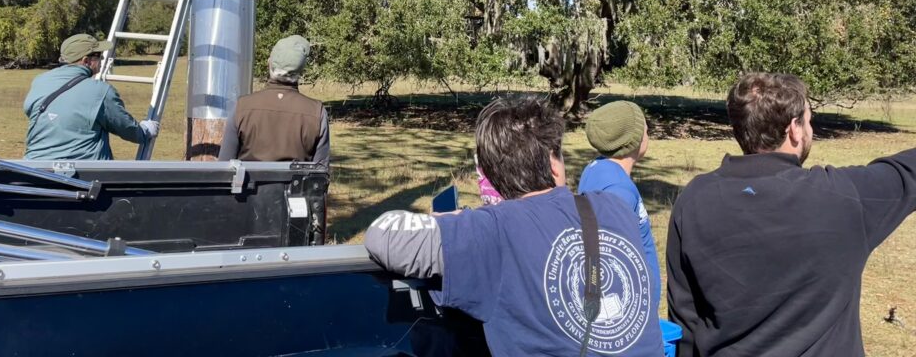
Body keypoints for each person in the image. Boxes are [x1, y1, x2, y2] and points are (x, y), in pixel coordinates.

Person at [364, 98, 663, 357]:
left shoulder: (491, 231)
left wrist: (447, 221)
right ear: (554, 162)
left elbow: (384, 235)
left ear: (493, 178)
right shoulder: (615, 209)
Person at [666, 72, 916, 357]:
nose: (811, 129)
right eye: (809, 120)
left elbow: (684, 322)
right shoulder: (843, 197)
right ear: (794, 129)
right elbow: (908, 173)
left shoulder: (693, 201)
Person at [578, 100, 661, 312]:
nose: (648, 130)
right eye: (644, 127)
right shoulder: (618, 191)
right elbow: (610, 256)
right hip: (628, 308)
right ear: (631, 140)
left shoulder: (596, 167)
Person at [23, 34, 159, 160]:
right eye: (99, 55)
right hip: (82, 175)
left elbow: (30, 110)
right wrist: (145, 131)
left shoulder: (40, 80)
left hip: (35, 169)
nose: (102, 59)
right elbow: (125, 127)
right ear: (86, 61)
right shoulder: (101, 91)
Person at [217, 35, 330, 167]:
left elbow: (224, 167)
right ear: (301, 70)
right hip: (297, 188)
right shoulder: (317, 113)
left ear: (269, 64)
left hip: (247, 187)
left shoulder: (241, 107)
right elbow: (320, 172)